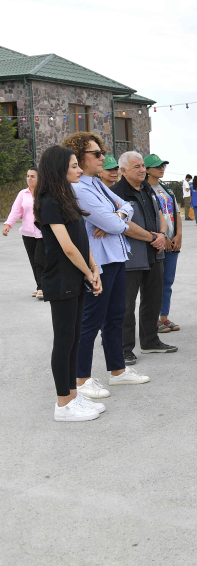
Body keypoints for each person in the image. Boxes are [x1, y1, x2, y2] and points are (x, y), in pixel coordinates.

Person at [68, 133, 150, 400]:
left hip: (115, 256)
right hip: (98, 262)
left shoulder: (96, 183)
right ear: (80, 158)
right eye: (96, 153)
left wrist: (116, 216)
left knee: (116, 316)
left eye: (101, 152)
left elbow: (125, 207)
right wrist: (115, 220)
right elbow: (116, 225)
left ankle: (117, 371)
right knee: (90, 321)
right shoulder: (80, 188)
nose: (102, 157)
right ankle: (81, 379)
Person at [34, 145, 104, 421]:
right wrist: (89, 273)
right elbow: (67, 248)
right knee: (64, 342)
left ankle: (73, 396)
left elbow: (81, 241)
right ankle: (63, 404)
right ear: (59, 170)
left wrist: (94, 269)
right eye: (74, 166)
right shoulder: (49, 201)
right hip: (61, 279)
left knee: (74, 339)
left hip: (77, 277)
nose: (78, 169)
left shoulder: (67, 199)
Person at [111, 152, 177, 364]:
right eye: (136, 167)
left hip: (154, 255)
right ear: (123, 171)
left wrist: (162, 234)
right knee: (126, 306)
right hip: (130, 257)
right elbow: (124, 225)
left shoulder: (148, 189)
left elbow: (160, 215)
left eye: (142, 166)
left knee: (153, 300)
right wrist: (152, 237)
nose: (142, 170)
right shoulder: (116, 193)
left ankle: (150, 341)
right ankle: (124, 349)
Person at [145, 154, 182, 334]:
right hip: (158, 242)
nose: (161, 168)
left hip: (173, 241)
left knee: (167, 281)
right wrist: (164, 237)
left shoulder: (168, 190)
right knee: (155, 283)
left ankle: (164, 318)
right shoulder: (144, 190)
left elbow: (176, 212)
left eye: (163, 166)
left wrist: (179, 234)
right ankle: (153, 320)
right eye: (157, 166)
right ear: (146, 169)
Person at [3, 167, 45, 299]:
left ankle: (43, 287)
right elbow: (16, 211)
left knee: (40, 259)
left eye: (32, 176)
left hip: (42, 233)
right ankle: (39, 286)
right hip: (27, 233)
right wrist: (8, 225)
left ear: (39, 178)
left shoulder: (45, 193)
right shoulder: (23, 194)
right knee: (33, 261)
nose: (29, 179)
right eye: (28, 176)